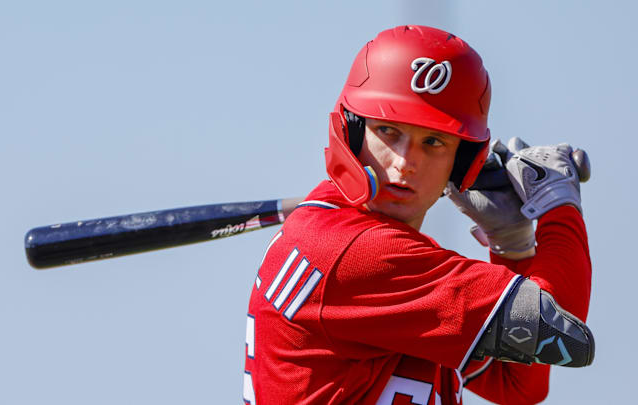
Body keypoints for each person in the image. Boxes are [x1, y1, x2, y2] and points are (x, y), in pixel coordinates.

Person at [243, 25, 594, 405]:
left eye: (433, 142)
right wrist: (559, 206)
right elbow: (562, 337)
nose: (404, 163)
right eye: (388, 131)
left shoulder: (348, 238)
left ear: (463, 161)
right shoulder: (356, 252)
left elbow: (518, 385)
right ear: (352, 130)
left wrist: (512, 246)